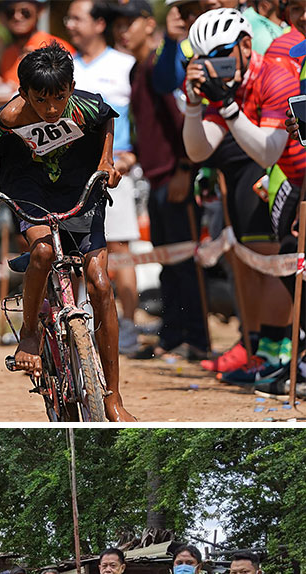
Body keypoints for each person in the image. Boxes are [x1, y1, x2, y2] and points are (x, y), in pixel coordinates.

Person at [0, 42, 134, 422]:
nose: (53, 108)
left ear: (71, 87)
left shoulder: (87, 105)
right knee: (42, 253)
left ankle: (114, 396)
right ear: (24, 93)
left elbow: (108, 118)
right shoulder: (9, 116)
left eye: (60, 97)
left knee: (100, 283)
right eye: (41, 100)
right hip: (30, 189)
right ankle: (29, 335)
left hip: (81, 188)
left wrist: (107, 160)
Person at [183, 8, 305, 386]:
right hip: (295, 177)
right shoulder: (234, 86)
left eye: (221, 55)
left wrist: (230, 107)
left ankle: (286, 350)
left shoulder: (275, 75)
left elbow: (268, 152)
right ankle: (286, 355)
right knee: (285, 256)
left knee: (285, 255)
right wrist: (193, 105)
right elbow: (199, 151)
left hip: (290, 170)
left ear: (246, 46)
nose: (214, 67)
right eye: (205, 60)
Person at [119, 0, 210, 359]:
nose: (122, 31)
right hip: (156, 178)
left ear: (148, 23)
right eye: (118, 25)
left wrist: (185, 169)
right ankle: (172, 338)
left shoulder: (163, 61)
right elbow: (148, 127)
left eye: (130, 23)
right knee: (167, 263)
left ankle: (198, 342)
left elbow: (184, 114)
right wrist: (133, 154)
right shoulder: (136, 69)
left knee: (186, 263)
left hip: (177, 177)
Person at [64, 0, 142, 356]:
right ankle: (77, 322)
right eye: (67, 18)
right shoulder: (65, 66)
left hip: (117, 172)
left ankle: (127, 326)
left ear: (98, 24)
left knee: (120, 249)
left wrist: (133, 153)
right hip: (73, 172)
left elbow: (145, 116)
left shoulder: (126, 65)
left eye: (77, 18)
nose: (69, 24)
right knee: (75, 249)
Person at [0, 0, 75, 108]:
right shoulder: (8, 53)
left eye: (25, 12)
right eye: (10, 12)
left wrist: (16, 96)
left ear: (40, 11)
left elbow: (66, 97)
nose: (17, 17)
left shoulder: (57, 47)